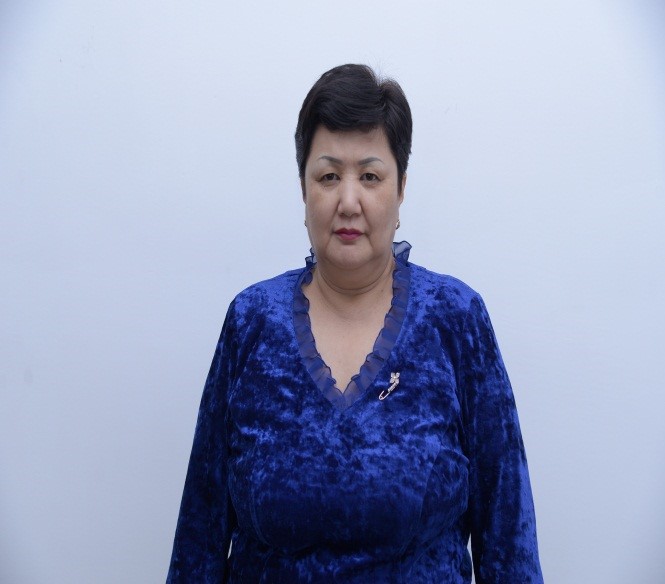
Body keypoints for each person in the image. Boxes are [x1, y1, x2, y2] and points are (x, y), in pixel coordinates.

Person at [166, 64, 544, 583]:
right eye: (328, 176)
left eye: (370, 176)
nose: (348, 202)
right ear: (304, 190)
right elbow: (200, 537)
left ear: (401, 187)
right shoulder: (251, 321)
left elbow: (509, 540)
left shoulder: (456, 319)